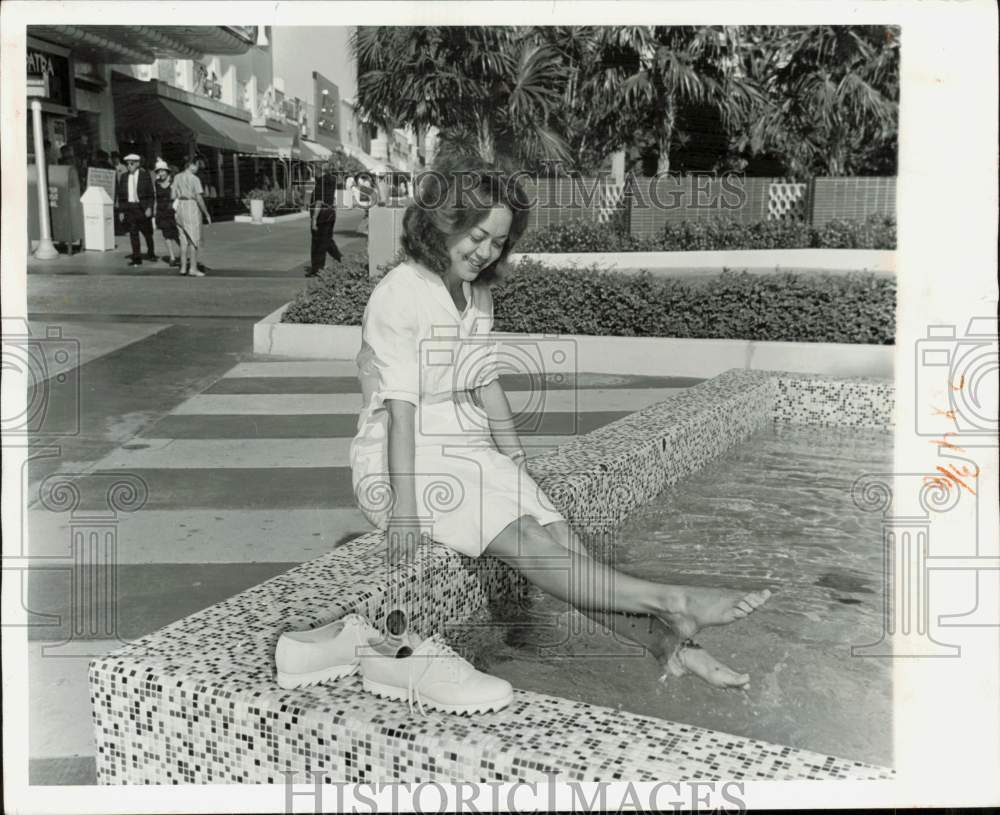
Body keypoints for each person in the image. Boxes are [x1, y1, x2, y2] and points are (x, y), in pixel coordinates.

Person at [348, 156, 772, 690]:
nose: (485, 252)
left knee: (561, 541)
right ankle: (674, 599)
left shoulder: (476, 295)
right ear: (443, 221)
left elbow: (485, 381)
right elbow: (400, 410)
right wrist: (406, 509)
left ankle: (666, 643)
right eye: (477, 235)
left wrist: (518, 464)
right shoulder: (400, 293)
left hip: (468, 451)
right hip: (397, 462)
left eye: (498, 242)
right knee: (528, 538)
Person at [171, 155, 212, 277]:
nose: (198, 168)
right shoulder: (195, 179)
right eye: (197, 165)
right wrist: (206, 213)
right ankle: (192, 268)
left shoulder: (177, 177)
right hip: (191, 207)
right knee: (194, 240)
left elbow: (172, 195)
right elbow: (199, 198)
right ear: (192, 165)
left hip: (179, 209)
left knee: (183, 240)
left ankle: (183, 267)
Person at [115, 153, 156, 267]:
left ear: (137, 164)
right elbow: (121, 196)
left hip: (142, 208)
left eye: (132, 163)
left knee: (147, 233)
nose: (129, 166)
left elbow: (151, 195)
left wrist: (149, 208)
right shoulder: (124, 177)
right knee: (133, 233)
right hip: (130, 208)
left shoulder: (145, 176)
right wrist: (121, 211)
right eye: (127, 164)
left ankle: (151, 252)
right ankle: (136, 257)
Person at [305, 161, 343, 277]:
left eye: (315, 169)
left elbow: (318, 202)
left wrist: (314, 220)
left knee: (318, 242)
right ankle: (339, 259)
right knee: (327, 240)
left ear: (319, 170)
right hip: (330, 214)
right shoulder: (332, 180)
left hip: (321, 215)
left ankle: (317, 268)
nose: (313, 172)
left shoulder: (321, 182)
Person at [152, 159, 181, 268]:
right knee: (166, 235)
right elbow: (155, 198)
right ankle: (172, 257)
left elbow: (177, 196)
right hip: (161, 212)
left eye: (162, 171)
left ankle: (182, 254)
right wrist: (154, 212)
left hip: (172, 212)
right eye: (158, 171)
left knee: (177, 234)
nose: (160, 173)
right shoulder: (156, 183)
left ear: (167, 171)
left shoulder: (173, 182)